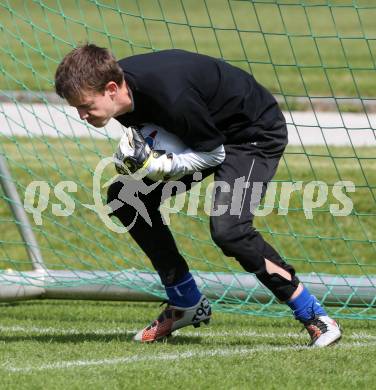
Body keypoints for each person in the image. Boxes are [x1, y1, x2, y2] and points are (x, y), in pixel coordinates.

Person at [55, 43, 342, 346]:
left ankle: (317, 317)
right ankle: (186, 302)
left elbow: (213, 153)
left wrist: (164, 164)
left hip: (251, 134)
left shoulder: (171, 97)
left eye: (85, 106)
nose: (82, 115)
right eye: (76, 108)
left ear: (111, 88)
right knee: (125, 197)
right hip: (206, 133)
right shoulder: (120, 97)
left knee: (230, 231)